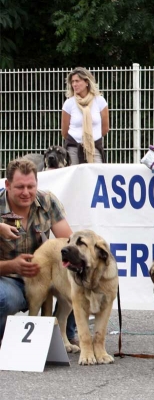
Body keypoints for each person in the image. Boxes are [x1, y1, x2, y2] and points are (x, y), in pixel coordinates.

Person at [0, 159, 73, 343]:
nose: (26, 192)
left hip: (43, 274)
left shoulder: (47, 201)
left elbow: (69, 243)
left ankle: (63, 334)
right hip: (9, 279)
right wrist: (12, 266)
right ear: (7, 185)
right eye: (20, 187)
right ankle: (8, 338)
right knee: (4, 299)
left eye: (31, 186)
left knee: (80, 275)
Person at [61, 67, 109, 165]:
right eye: (72, 82)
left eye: (77, 81)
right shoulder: (69, 103)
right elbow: (64, 132)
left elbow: (105, 128)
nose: (74, 84)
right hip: (73, 148)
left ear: (87, 82)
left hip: (94, 147)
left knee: (96, 176)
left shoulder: (100, 101)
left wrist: (90, 140)